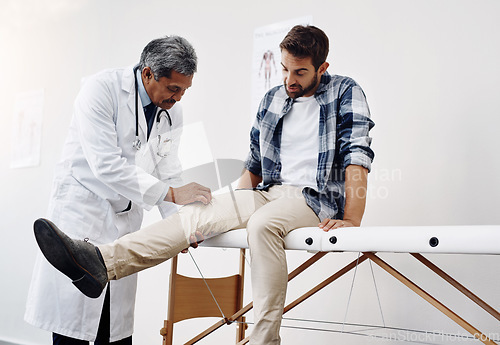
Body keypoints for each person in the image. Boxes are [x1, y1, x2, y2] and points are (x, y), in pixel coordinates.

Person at [33, 25, 375, 345]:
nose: (289, 79)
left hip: (313, 198)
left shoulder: (346, 91)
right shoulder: (272, 99)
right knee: (197, 215)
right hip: (265, 192)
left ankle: (264, 340)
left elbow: (356, 155)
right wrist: (214, 215)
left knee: (261, 225)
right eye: (285, 69)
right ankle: (99, 261)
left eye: (299, 72)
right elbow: (254, 164)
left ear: (322, 67)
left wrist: (352, 219)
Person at [25, 36, 212, 345]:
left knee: (113, 329)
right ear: (149, 73)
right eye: (173, 88)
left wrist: (183, 225)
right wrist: (174, 195)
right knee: (75, 326)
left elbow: (168, 169)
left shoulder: (170, 113)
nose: (178, 98)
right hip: (85, 211)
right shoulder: (101, 89)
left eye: (184, 90)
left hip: (124, 223)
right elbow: (106, 165)